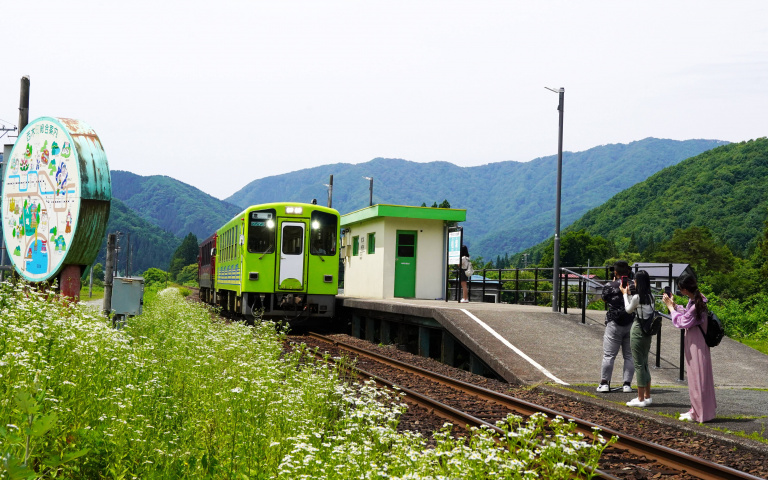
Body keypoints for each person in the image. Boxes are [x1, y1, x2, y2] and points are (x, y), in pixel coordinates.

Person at [662, 274, 716, 422]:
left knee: (696, 378)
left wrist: (670, 309)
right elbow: (687, 315)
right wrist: (674, 306)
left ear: (685, 290)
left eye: (681, 289)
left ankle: (698, 413)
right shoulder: (697, 300)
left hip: (696, 345)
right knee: (700, 378)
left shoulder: (696, 304)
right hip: (698, 343)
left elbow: (682, 322)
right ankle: (698, 410)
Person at [597, 261, 635, 393]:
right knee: (629, 356)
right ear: (629, 271)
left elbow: (604, 299)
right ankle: (627, 385)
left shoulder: (609, 285)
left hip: (614, 322)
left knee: (609, 355)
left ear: (615, 272)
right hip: (631, 323)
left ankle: (604, 384)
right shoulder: (634, 285)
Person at [621, 270, 654, 407]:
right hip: (647, 332)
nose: (633, 282)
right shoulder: (650, 296)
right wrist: (630, 295)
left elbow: (628, 310)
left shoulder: (637, 297)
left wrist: (624, 295)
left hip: (638, 330)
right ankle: (647, 395)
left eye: (634, 280)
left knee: (638, 364)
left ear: (638, 282)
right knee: (645, 362)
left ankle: (640, 399)